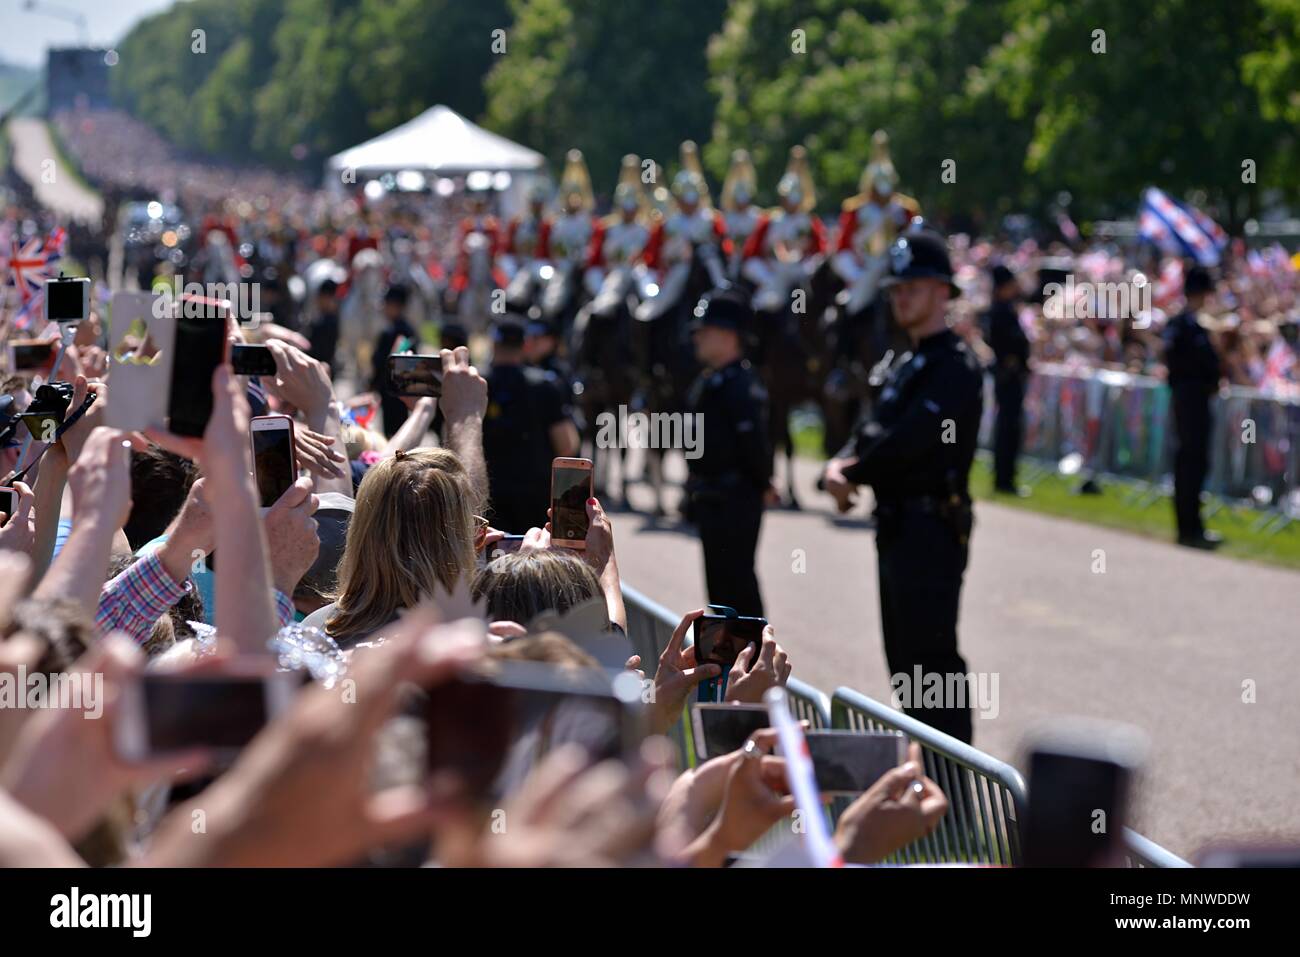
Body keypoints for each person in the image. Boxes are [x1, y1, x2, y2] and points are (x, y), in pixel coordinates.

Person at [820, 226, 983, 744]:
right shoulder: (905, 363)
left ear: (943, 292)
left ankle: (954, 793)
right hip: (896, 523)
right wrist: (842, 461)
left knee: (933, 661)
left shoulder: (954, 365)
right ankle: (924, 786)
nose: (901, 296)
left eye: (913, 286)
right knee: (905, 662)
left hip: (931, 524)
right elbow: (871, 429)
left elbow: (912, 440)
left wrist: (851, 472)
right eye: (896, 288)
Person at [301, 447, 479, 649]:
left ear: (360, 530)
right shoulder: (468, 638)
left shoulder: (313, 632)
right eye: (472, 526)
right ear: (456, 543)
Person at [684, 289, 772, 618]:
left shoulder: (741, 384)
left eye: (704, 332)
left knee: (737, 587)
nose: (697, 339)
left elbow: (755, 445)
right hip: (712, 495)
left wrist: (763, 481)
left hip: (735, 496)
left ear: (727, 335)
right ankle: (727, 662)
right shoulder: (712, 381)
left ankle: (752, 660)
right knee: (720, 590)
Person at [481, 319, 580, 533]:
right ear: (525, 345)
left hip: (487, 499)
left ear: (493, 345)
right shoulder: (545, 386)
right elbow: (567, 445)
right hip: (536, 498)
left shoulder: (476, 384)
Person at [1162, 265, 1224, 549]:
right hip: (1189, 400)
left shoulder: (1193, 324)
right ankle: (1188, 527)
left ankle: (1193, 525)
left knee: (1197, 462)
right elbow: (1177, 361)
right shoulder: (1181, 325)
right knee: (1189, 461)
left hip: (1197, 399)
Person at [984, 264, 1030, 495]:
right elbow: (1006, 345)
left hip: (1012, 377)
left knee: (1010, 428)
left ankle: (1006, 477)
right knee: (1007, 428)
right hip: (1008, 377)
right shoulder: (1000, 311)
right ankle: (1004, 479)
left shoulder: (1005, 308)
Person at [370, 284, 417, 438]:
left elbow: (380, 361)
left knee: (390, 432)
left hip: (389, 390)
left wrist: (372, 383)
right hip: (403, 391)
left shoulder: (389, 332)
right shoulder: (409, 330)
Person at [305, 278, 341, 375]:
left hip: (321, 369)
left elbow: (322, 351)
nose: (318, 300)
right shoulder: (321, 317)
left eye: (321, 297)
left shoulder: (329, 322)